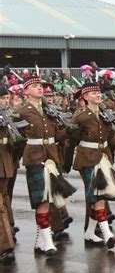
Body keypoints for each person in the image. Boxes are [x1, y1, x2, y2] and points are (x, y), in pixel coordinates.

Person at [17, 76, 73, 256]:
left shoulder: (49, 110)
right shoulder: (21, 112)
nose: (40, 88)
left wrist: (70, 131)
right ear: (26, 91)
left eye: (40, 86)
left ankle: (41, 240)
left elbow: (56, 136)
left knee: (51, 199)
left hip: (51, 157)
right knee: (42, 200)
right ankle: (47, 241)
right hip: (34, 157)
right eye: (35, 86)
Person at [71, 83, 115, 248]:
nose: (98, 95)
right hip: (87, 158)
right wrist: (65, 161)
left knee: (98, 196)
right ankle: (107, 234)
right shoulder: (80, 116)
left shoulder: (105, 115)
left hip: (103, 158)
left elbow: (111, 141)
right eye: (93, 93)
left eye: (98, 92)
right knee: (98, 196)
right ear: (85, 97)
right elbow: (71, 140)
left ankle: (90, 233)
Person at [0, 86, 16, 265]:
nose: (6, 101)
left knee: (4, 200)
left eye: (7, 98)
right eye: (3, 98)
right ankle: (5, 245)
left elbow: (12, 145)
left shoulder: (6, 117)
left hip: (5, 164)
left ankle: (9, 233)